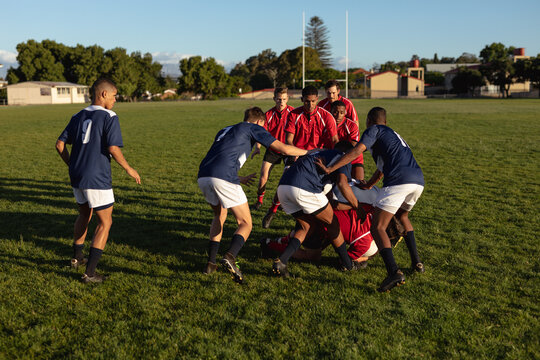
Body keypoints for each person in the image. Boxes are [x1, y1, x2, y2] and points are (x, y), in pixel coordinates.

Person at [316, 107, 425, 292]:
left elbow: (357, 150)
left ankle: (393, 272)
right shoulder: (393, 134)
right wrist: (369, 185)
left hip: (399, 181)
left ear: (368, 121)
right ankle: (417, 262)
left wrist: (331, 168)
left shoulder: (374, 130)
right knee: (403, 217)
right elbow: (382, 167)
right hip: (418, 181)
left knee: (378, 227)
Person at [197, 107, 308, 283]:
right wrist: (310, 152)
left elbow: (220, 156)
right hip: (224, 177)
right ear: (259, 122)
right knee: (246, 223)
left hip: (203, 175)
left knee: (219, 215)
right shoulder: (253, 128)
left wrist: (238, 177)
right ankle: (231, 257)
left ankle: (210, 263)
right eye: (264, 126)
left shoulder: (225, 129)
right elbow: (284, 149)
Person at [56, 78, 141, 284]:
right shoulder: (110, 116)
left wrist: (72, 164)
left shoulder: (78, 115)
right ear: (103, 94)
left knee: (84, 213)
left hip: (77, 175)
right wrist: (129, 168)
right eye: (114, 95)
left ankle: (77, 258)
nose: (115, 100)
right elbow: (113, 148)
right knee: (105, 222)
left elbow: (59, 145)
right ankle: (90, 273)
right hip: (97, 176)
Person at [271, 141, 364, 277]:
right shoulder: (342, 156)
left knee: (305, 226)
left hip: (283, 188)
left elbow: (330, 203)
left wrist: (351, 207)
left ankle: (282, 261)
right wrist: (358, 207)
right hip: (303, 188)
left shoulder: (322, 154)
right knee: (333, 223)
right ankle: (347, 264)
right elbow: (342, 184)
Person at [262, 85, 338, 228]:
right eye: (307, 101)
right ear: (302, 99)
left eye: (313, 101)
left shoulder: (326, 115)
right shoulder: (294, 115)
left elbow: (335, 140)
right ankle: (272, 211)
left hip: (319, 157)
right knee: (284, 183)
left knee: (326, 189)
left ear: (317, 99)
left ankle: (322, 220)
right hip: (298, 155)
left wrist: (335, 157)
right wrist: (297, 153)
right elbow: (289, 139)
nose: (310, 105)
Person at [251, 88, 294, 211]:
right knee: (263, 176)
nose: (281, 102)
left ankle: (279, 203)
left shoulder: (293, 112)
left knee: (286, 178)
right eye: (279, 99)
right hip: (273, 148)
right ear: (274, 99)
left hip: (288, 150)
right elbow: (261, 133)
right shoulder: (268, 115)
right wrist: (257, 147)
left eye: (284, 99)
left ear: (287, 99)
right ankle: (259, 201)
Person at [330, 100, 364, 181]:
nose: (338, 115)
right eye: (335, 112)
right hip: (333, 159)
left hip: (353, 158)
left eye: (341, 113)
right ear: (330, 111)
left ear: (345, 113)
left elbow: (353, 146)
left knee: (359, 183)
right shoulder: (325, 124)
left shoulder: (351, 125)